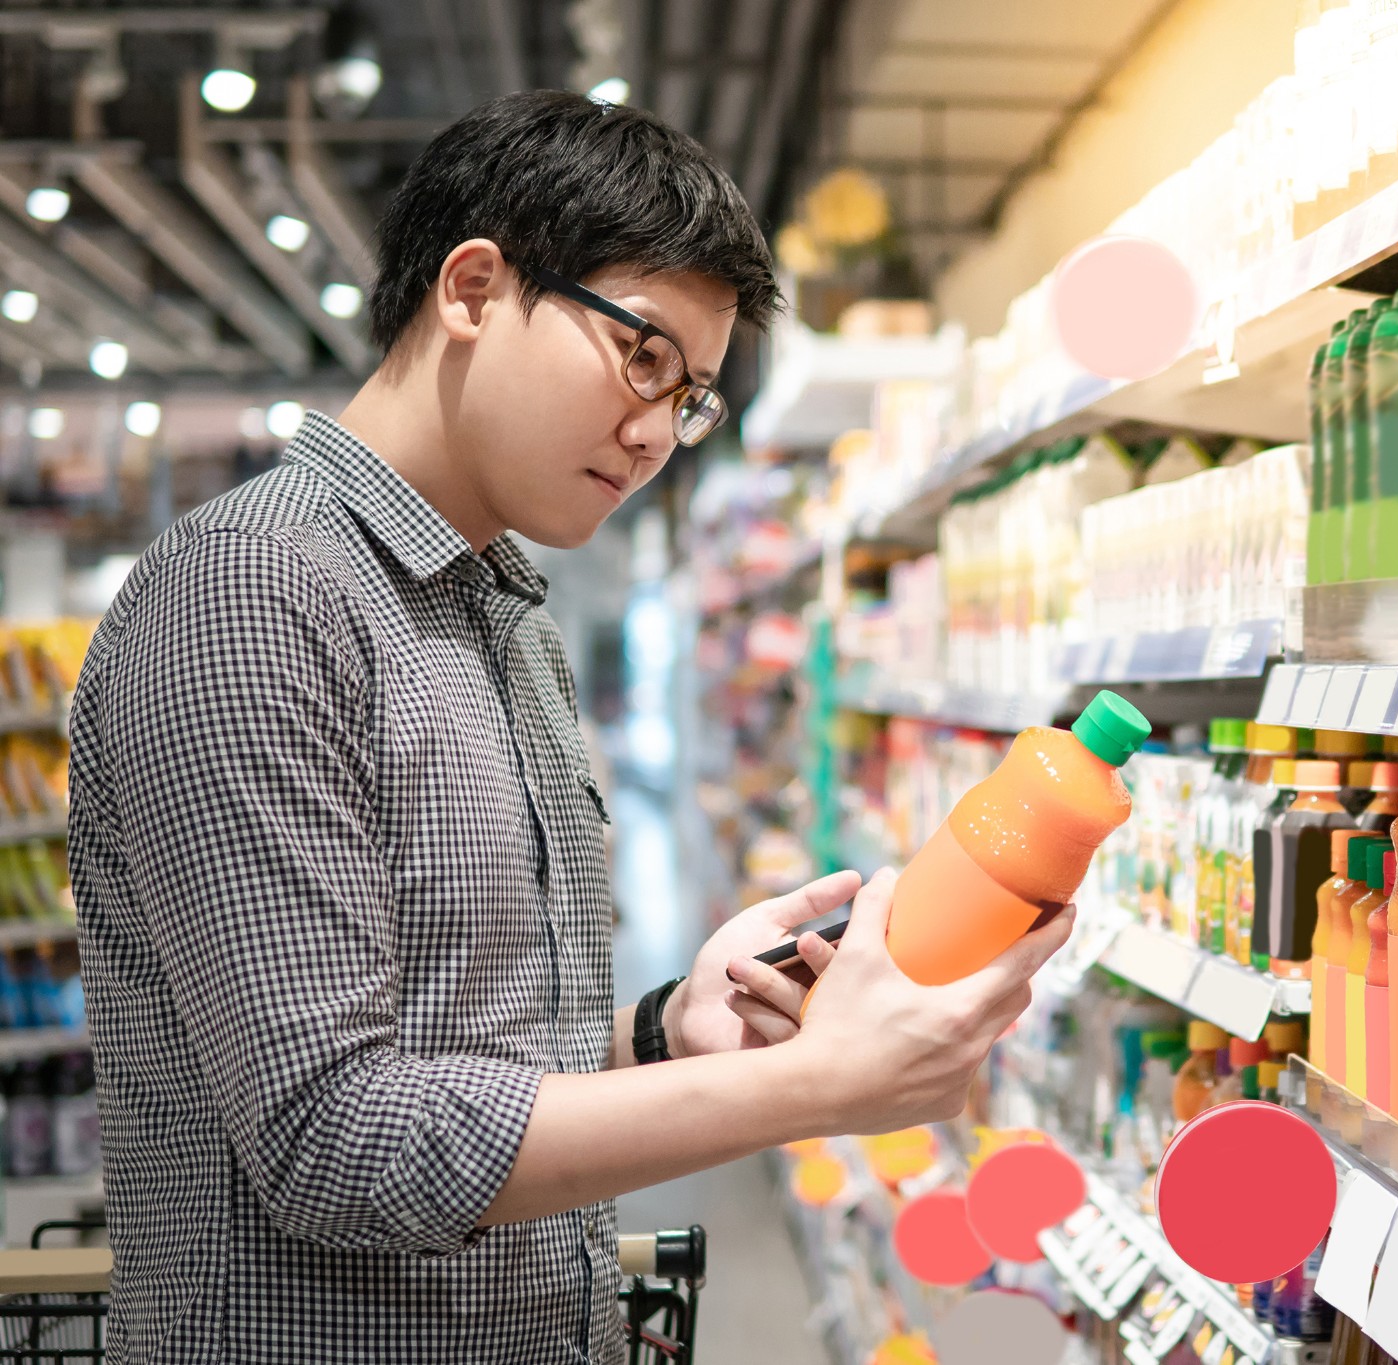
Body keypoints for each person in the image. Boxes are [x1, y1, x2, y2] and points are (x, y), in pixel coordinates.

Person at [65, 89, 1068, 1363]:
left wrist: (664, 1034)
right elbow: (333, 1140)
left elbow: (458, 1042)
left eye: (691, 395)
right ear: (474, 290)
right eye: (641, 354)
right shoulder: (251, 595)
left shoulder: (509, 620)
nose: (657, 430)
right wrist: (803, 1088)